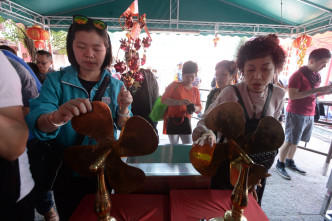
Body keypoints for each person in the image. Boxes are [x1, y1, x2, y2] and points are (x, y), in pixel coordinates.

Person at [26, 15, 133, 220]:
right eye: (81, 46)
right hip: (68, 170)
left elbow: (125, 129)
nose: (89, 54)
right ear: (71, 47)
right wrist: (56, 117)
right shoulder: (56, 81)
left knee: (103, 214)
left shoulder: (116, 85)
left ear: (107, 49)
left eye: (97, 48)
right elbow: (37, 119)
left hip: (104, 169)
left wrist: (124, 109)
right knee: (72, 214)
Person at [192, 34, 286, 206]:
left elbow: (272, 132)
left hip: (257, 167)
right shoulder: (230, 93)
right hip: (227, 163)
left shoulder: (279, 95)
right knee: (220, 207)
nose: (257, 76)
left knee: (248, 209)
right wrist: (208, 133)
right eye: (250, 70)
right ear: (242, 70)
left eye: (265, 69)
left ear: (276, 70)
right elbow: (204, 122)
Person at [276, 48, 332, 180]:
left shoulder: (316, 76)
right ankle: (280, 163)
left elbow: (313, 93)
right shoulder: (297, 75)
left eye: (326, 63)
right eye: (323, 63)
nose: (324, 66)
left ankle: (289, 161)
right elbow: (293, 96)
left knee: (297, 140)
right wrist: (318, 90)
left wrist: (324, 92)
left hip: (309, 112)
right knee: (290, 139)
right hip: (296, 112)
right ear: (312, 61)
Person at [0, 50, 34, 220]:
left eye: (96, 48)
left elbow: (14, 143)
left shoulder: (4, 65)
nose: (89, 54)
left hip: (8, 187)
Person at [162, 61, 202, 144]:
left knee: (188, 146)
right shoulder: (174, 85)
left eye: (192, 77)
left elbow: (199, 107)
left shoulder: (195, 90)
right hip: (172, 120)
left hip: (186, 121)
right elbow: (164, 100)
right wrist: (178, 102)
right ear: (182, 75)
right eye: (187, 76)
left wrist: (193, 108)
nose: (190, 79)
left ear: (196, 76)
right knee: (174, 147)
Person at [124, 51, 159, 132]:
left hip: (149, 120)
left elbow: (155, 99)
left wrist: (154, 121)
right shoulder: (124, 77)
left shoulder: (149, 75)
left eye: (133, 58)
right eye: (127, 59)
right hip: (131, 121)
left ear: (138, 59)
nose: (130, 61)